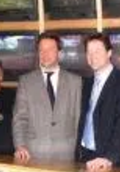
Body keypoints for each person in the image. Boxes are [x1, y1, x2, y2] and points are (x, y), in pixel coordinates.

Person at [13, 32, 81, 163]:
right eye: (41, 50)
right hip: (32, 154)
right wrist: (20, 146)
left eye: (50, 49)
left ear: (59, 53)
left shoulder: (76, 82)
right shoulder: (26, 81)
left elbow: (78, 119)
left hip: (66, 155)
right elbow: (20, 118)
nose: (45, 54)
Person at [76, 33, 120, 172]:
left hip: (113, 161)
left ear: (109, 53)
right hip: (86, 157)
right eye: (89, 52)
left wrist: (108, 158)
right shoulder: (87, 83)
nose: (92, 56)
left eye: (97, 51)